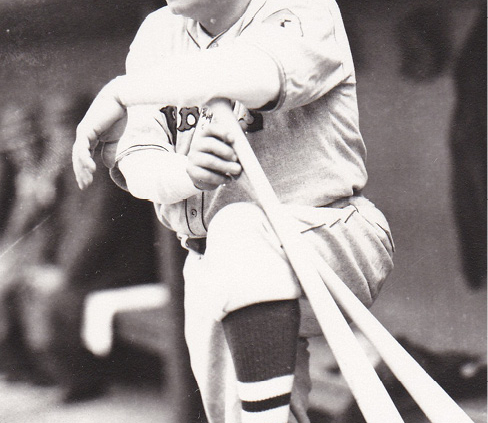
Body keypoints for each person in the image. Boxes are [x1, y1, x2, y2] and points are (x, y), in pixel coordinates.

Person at [72, 0, 395, 421]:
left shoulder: (302, 6)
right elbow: (137, 160)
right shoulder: (158, 32)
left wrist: (122, 90)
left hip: (330, 234)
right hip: (212, 261)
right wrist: (187, 172)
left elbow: (252, 74)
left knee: (240, 227)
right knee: (238, 412)